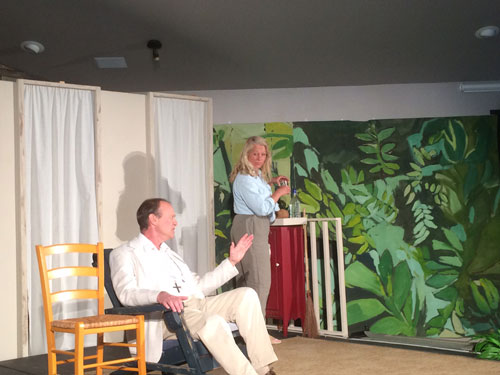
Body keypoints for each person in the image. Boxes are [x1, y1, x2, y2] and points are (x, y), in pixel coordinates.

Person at [110, 198, 278, 375]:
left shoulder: (169, 254)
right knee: (213, 322)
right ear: (153, 219)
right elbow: (126, 293)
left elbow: (198, 286)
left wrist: (232, 262)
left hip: (195, 306)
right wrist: (159, 296)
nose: (176, 222)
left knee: (247, 296)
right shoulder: (125, 253)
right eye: (171, 217)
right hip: (167, 317)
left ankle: (263, 369)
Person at [229, 136, 290, 344]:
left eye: (263, 155)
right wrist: (279, 193)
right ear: (246, 154)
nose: (259, 158)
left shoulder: (254, 177)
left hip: (255, 225)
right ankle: (257, 333)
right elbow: (263, 207)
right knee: (259, 280)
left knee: (250, 280)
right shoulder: (245, 178)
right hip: (251, 224)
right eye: (255, 154)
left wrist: (270, 184)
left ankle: (249, 330)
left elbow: (261, 200)